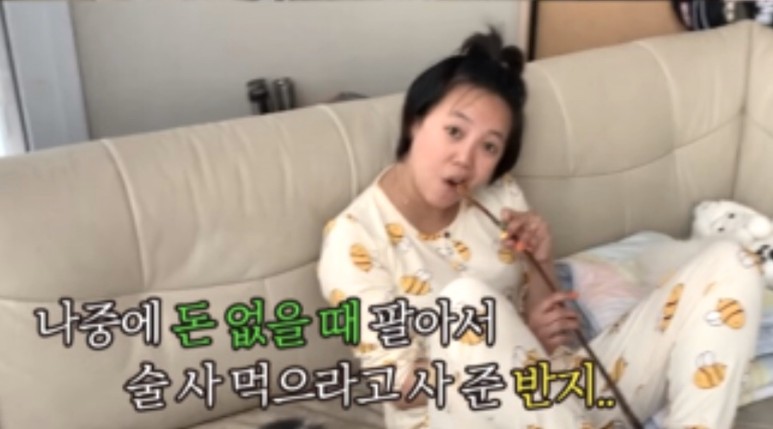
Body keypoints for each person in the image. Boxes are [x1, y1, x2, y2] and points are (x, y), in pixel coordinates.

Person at [317, 27, 763, 429]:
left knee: (732, 262)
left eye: (489, 147)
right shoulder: (353, 240)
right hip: (455, 414)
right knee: (464, 302)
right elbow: (397, 386)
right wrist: (496, 346)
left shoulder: (499, 196)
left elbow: (547, 333)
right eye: (454, 131)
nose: (466, 159)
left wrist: (539, 264)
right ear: (415, 122)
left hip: (557, 395)